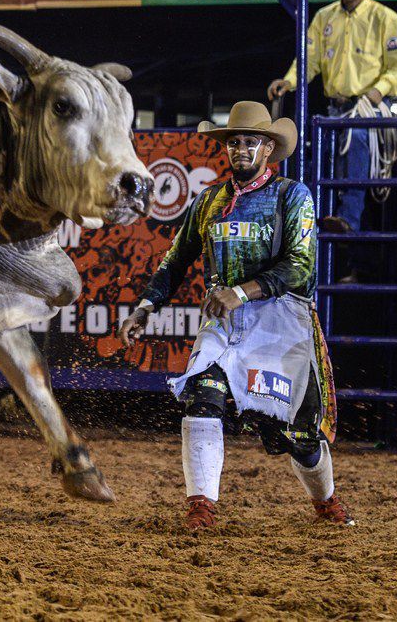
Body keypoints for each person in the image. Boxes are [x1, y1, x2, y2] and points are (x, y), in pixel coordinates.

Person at [117, 101, 350, 532]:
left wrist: (241, 292)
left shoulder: (292, 196)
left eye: (250, 142)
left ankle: (326, 501)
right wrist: (147, 306)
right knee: (202, 396)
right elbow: (176, 260)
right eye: (235, 142)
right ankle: (201, 507)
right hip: (223, 321)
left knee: (299, 438)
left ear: (267, 149)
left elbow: (300, 264)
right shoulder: (210, 201)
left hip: (282, 322)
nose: (240, 148)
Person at [268, 0, 397, 234]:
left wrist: (377, 92)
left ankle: (347, 218)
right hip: (334, 110)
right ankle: (316, 219)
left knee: (357, 139)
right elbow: (308, 59)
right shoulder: (324, 17)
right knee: (316, 153)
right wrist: (289, 81)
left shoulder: (385, 18)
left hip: (367, 110)